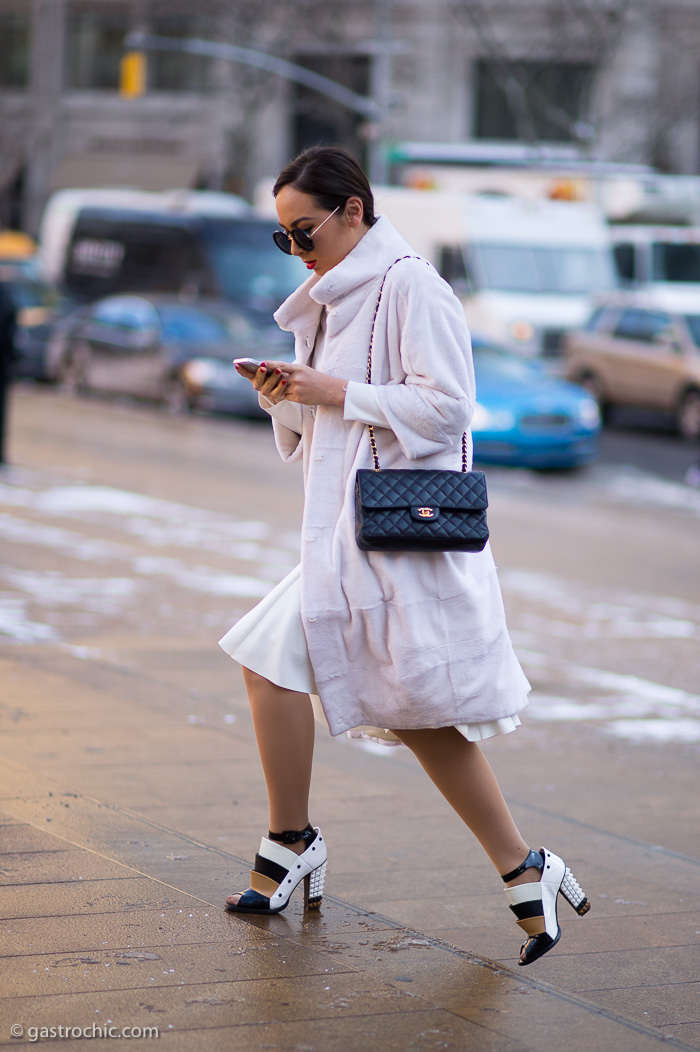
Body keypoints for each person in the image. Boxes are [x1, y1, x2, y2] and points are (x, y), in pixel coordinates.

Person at [219, 146, 590, 966]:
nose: (298, 250)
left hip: (393, 537)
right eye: (284, 239)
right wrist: (286, 398)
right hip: (343, 537)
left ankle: (523, 866)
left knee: (418, 712)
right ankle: (294, 839)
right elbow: (327, 422)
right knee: (269, 662)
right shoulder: (327, 299)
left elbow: (454, 408)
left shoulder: (411, 286)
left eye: (304, 230)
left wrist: (334, 393)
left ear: (355, 209)